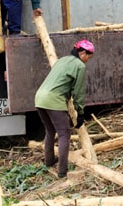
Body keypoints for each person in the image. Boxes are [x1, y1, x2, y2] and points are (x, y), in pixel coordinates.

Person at [34, 39, 95, 178]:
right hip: (53, 100)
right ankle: (62, 171)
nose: (87, 61)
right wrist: (80, 112)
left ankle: (49, 161)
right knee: (64, 134)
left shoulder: (62, 60)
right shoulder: (80, 66)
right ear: (83, 53)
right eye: (88, 57)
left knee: (50, 130)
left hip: (39, 97)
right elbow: (78, 92)